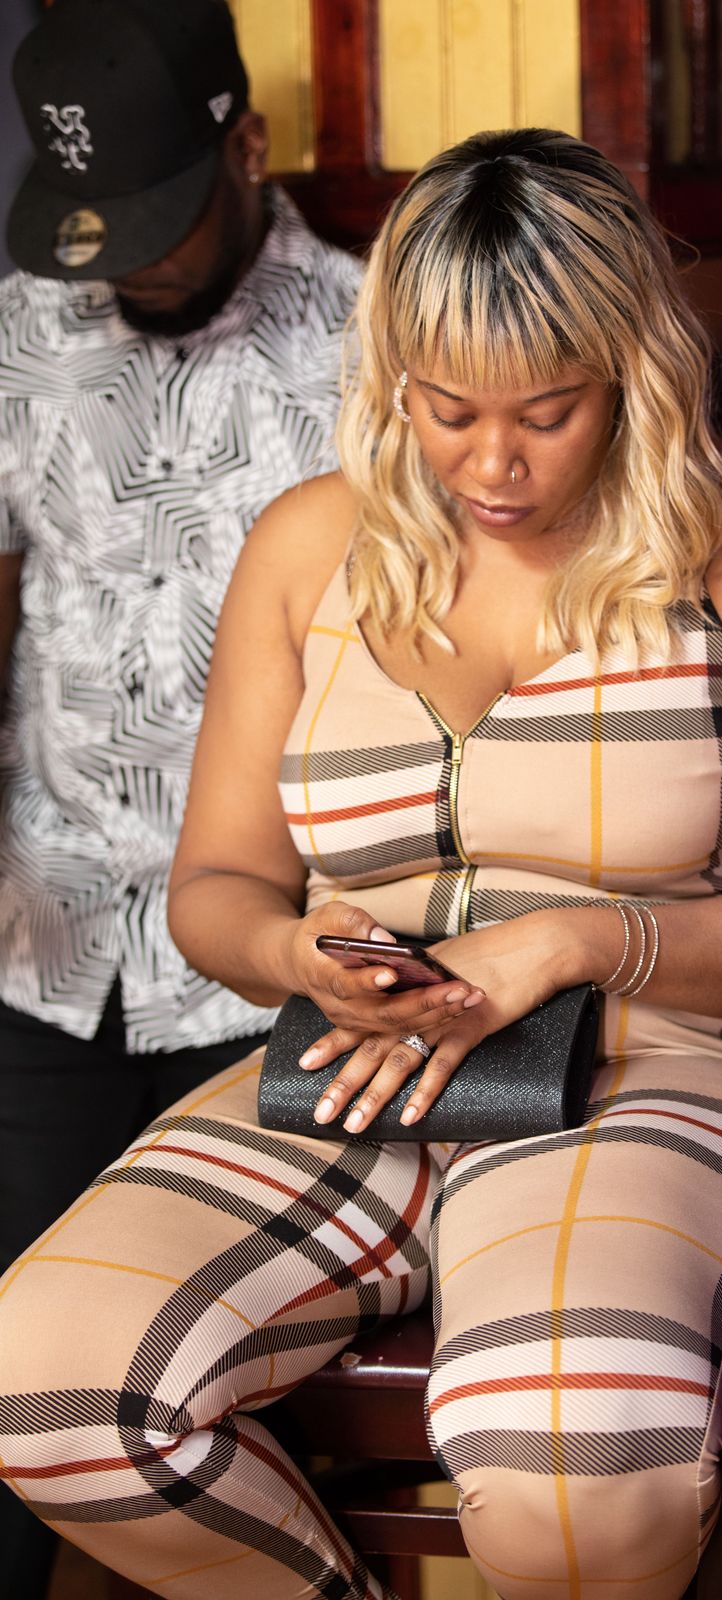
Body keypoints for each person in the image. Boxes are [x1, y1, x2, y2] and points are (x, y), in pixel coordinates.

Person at [0, 128, 722, 1600]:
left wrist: (580, 941)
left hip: (647, 1068)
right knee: (48, 1389)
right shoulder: (309, 549)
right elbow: (217, 889)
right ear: (391, 377)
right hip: (347, 1078)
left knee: (573, 1452)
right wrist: (295, 954)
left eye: (550, 410)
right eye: (446, 407)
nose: (493, 463)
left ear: (634, 370)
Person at [0, 2, 362, 1594]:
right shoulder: (21, 332)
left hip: (275, 966)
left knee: (197, 1405)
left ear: (249, 148)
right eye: (97, 230)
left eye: (158, 220)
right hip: (45, 938)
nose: (128, 267)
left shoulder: (376, 349)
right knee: (11, 1396)